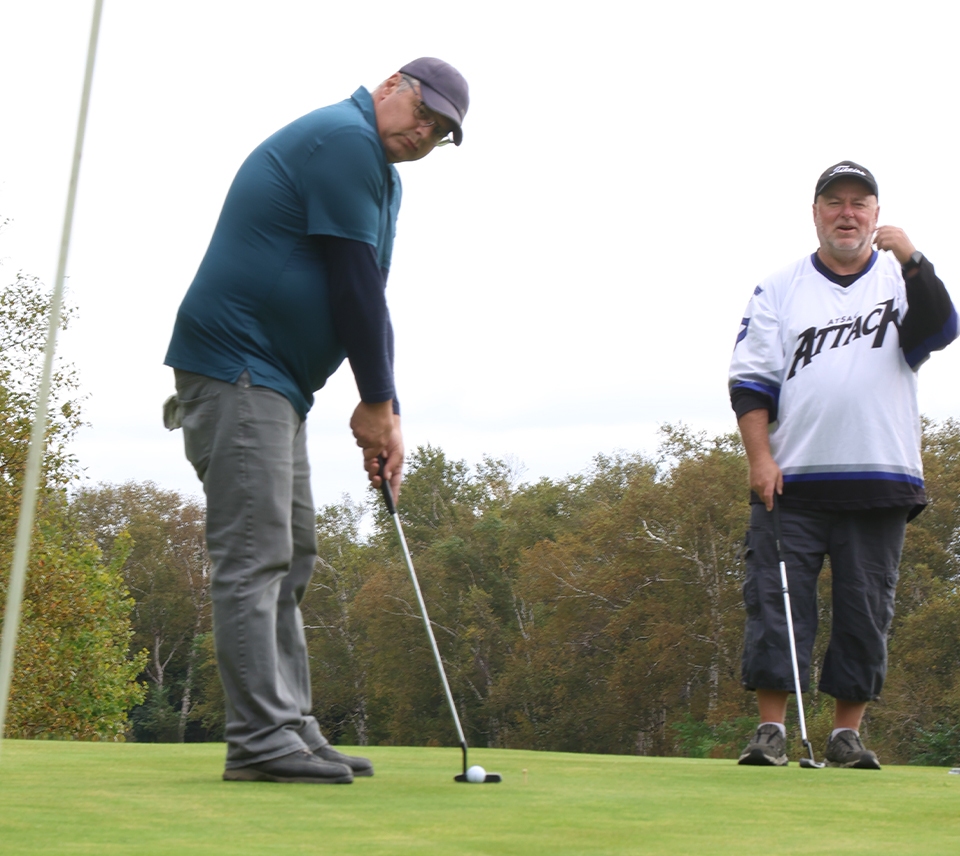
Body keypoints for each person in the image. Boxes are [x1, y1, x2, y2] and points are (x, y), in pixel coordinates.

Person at [162, 58, 469, 783]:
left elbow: (371, 300)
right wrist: (376, 404)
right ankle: (260, 741)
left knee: (292, 555)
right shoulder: (343, 140)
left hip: (275, 383)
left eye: (443, 133)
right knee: (255, 556)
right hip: (237, 368)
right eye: (425, 114)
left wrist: (383, 406)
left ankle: (292, 728)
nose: (426, 133)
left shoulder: (379, 173)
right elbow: (352, 282)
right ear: (392, 84)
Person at [729, 161, 958, 769]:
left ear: (876, 215)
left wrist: (913, 258)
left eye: (860, 203)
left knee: (865, 611)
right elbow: (751, 384)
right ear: (816, 213)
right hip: (792, 481)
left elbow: (941, 329)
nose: (847, 213)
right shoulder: (778, 288)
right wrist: (760, 459)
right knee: (777, 605)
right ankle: (771, 731)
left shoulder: (900, 279)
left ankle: (845, 736)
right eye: (835, 202)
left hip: (881, 479)